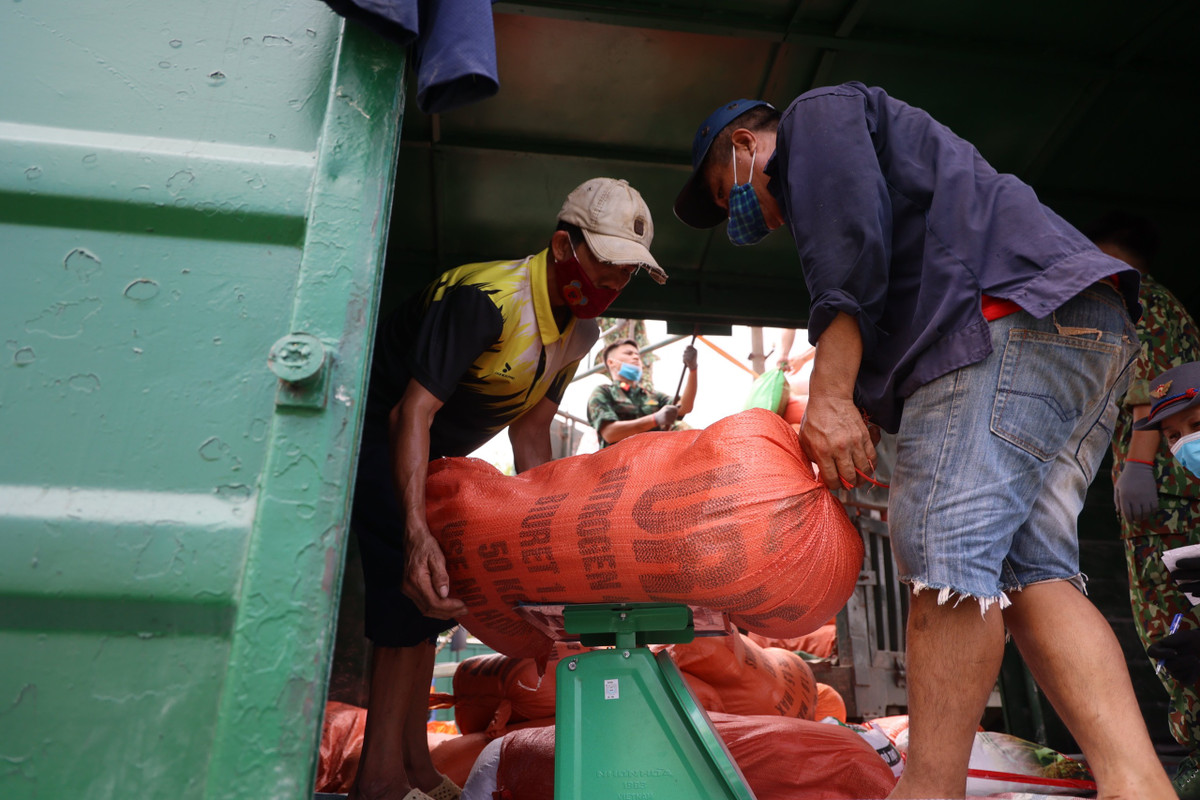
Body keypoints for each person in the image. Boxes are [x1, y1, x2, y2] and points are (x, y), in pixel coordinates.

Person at [673, 84, 1174, 798]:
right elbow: (891, 270)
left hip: (1009, 324)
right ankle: (1139, 787)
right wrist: (871, 397)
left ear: (745, 144)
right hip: (1079, 329)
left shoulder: (816, 118)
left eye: (728, 193)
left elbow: (850, 246)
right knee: (1034, 574)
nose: (742, 215)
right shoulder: (871, 147)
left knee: (946, 548)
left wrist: (833, 393)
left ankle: (927, 791)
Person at [348, 177, 664, 800]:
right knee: (404, 599)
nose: (610, 287)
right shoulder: (486, 300)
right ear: (561, 245)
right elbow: (410, 413)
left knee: (432, 606)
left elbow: (533, 433)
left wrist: (541, 540)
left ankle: (414, 766)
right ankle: (378, 780)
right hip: (375, 436)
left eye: (626, 276)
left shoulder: (578, 333)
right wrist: (415, 533)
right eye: (604, 267)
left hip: (434, 455)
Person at [1087, 211, 1200, 798]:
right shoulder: (1160, 300)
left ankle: (1197, 751)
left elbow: (1159, 388)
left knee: (1173, 627)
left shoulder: (1143, 300)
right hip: (1170, 494)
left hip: (1166, 500)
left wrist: (1136, 465)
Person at [586, 337, 697, 447]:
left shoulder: (653, 396)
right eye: (628, 353)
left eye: (637, 355)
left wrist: (692, 369)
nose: (635, 357)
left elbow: (684, 407)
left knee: (680, 427)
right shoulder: (603, 392)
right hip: (619, 462)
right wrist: (654, 419)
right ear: (611, 362)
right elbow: (610, 433)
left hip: (651, 460)